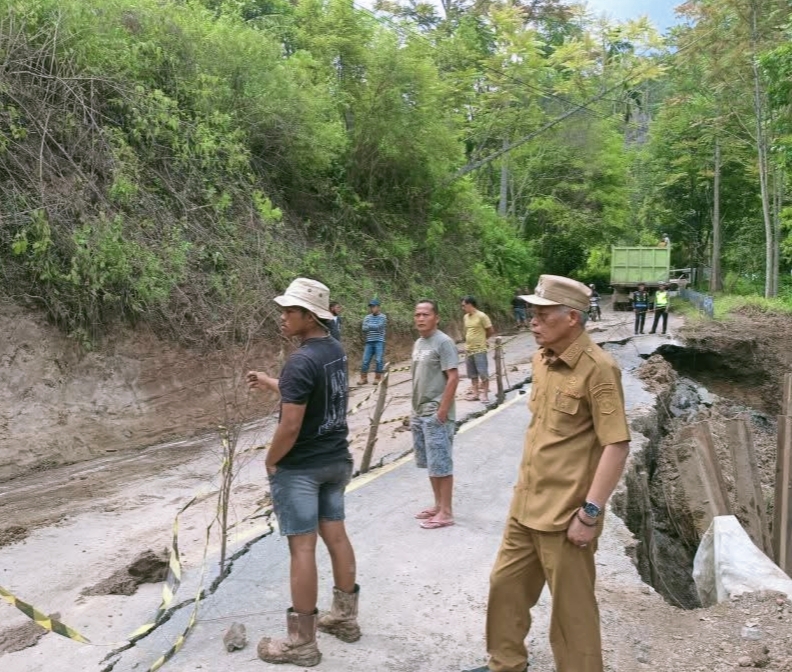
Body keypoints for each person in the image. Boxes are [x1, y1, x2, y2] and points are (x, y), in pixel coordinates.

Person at [462, 274, 631, 672]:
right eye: (531, 313)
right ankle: (505, 664)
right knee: (505, 589)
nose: (532, 321)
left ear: (571, 318)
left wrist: (590, 513)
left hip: (566, 516)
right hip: (526, 506)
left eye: (542, 314)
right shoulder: (541, 360)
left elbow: (617, 445)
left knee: (572, 615)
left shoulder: (598, 369)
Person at [247, 277, 360, 667]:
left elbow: (291, 425)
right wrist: (271, 382)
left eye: (289, 310)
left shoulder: (299, 360)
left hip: (302, 468)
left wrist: (271, 460)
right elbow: (309, 393)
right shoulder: (333, 351)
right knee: (336, 536)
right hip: (335, 461)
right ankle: (345, 620)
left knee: (303, 547)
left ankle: (302, 644)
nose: (282, 317)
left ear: (308, 316)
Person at [410, 300, 460, 530]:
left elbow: (453, 377)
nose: (420, 318)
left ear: (436, 317)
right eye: (417, 314)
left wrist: (442, 410)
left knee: (441, 462)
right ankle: (438, 505)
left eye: (425, 314)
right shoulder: (419, 343)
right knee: (430, 463)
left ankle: (446, 512)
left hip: (435, 413)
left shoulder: (444, 342)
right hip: (419, 412)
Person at [461, 296, 495, 403]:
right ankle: (475, 393)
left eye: (464, 305)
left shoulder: (482, 316)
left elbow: (490, 330)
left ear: (470, 304)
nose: (462, 307)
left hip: (479, 349)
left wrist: (483, 339)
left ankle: (485, 395)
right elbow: (467, 331)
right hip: (469, 349)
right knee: (472, 374)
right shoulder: (466, 317)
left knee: (483, 373)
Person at [359, 299, 387, 385]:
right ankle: (363, 378)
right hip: (369, 341)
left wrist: (369, 326)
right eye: (371, 307)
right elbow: (363, 328)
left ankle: (377, 378)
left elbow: (379, 327)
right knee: (365, 360)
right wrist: (374, 326)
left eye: (373, 306)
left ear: (378, 307)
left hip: (379, 341)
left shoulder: (383, 317)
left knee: (378, 360)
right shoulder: (367, 317)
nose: (372, 308)